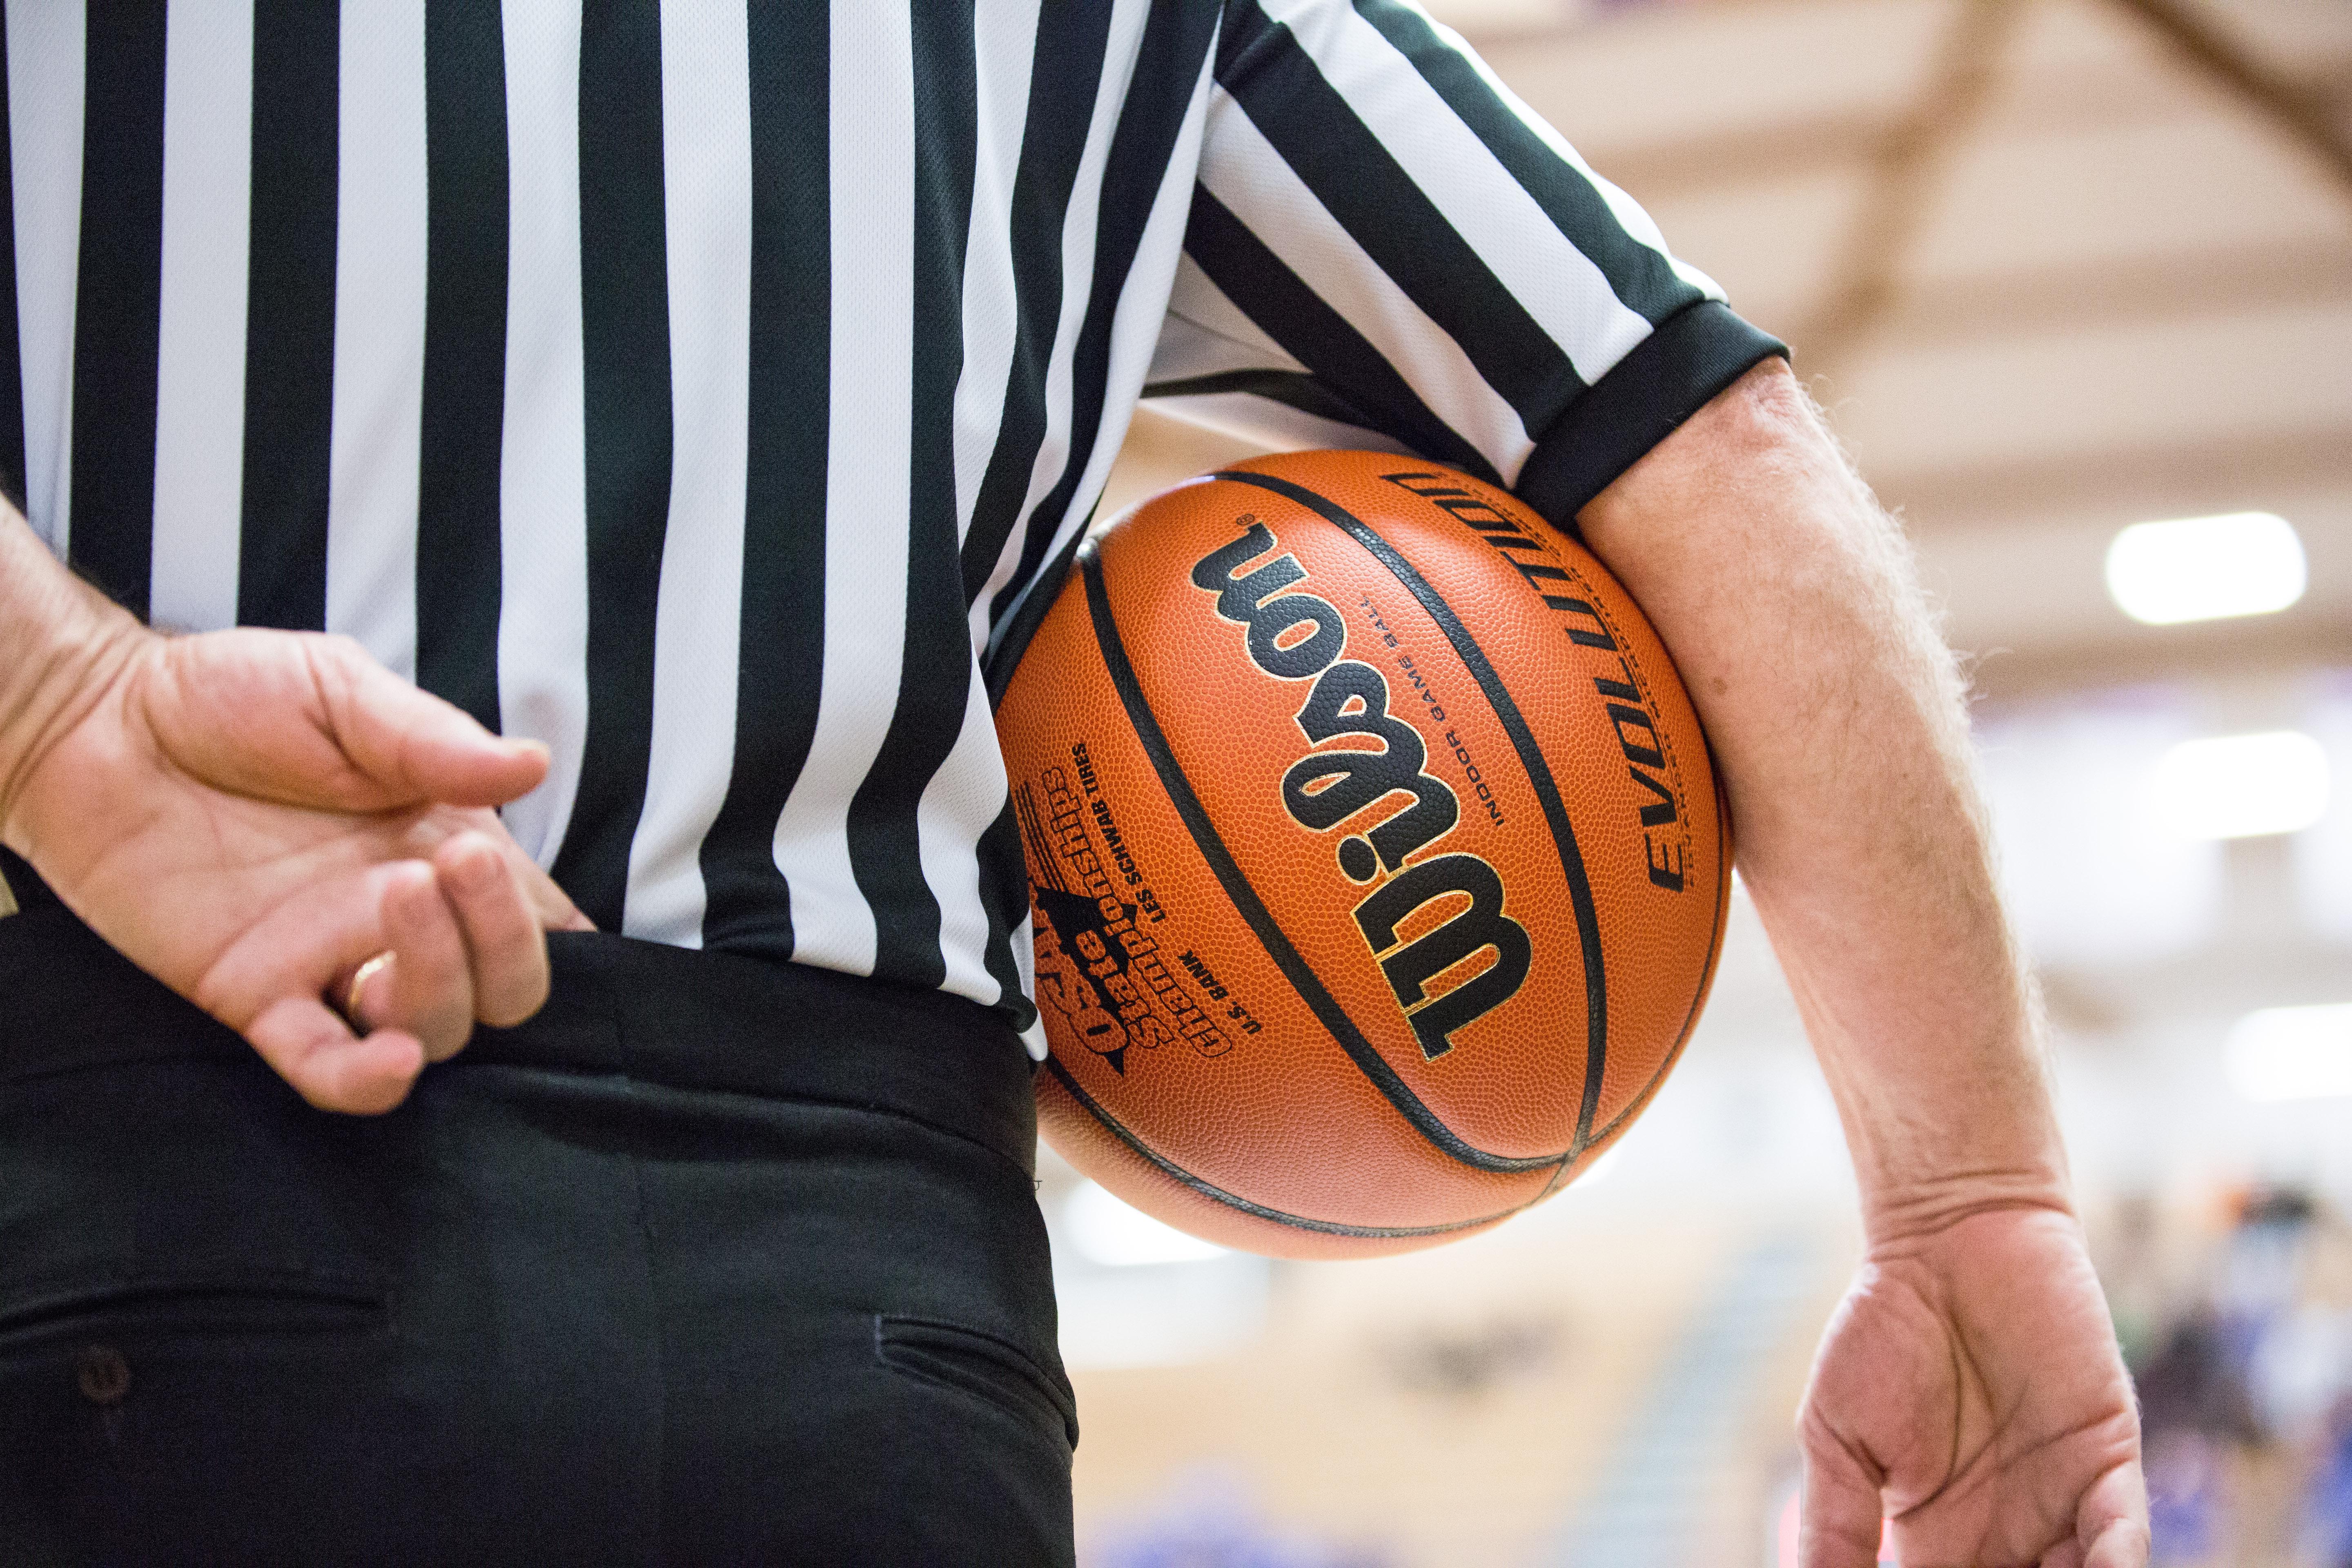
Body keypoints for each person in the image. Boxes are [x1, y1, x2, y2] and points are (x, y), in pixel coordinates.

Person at [0, 2, 2146, 1563]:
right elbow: (1692, 436)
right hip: (872, 1324)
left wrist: (55, 704)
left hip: (174, 1140)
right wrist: (1972, 1201)